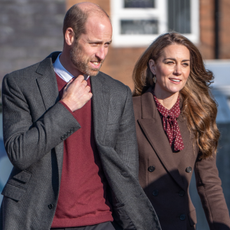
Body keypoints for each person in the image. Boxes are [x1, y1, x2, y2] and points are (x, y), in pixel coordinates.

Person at [0, 2, 161, 230]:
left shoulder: (117, 93)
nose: (101, 54)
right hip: (40, 221)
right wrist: (65, 107)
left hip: (102, 222)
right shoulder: (20, 84)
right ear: (69, 36)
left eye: (107, 44)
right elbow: (19, 153)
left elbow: (126, 172)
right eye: (94, 43)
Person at [132, 32, 230, 230]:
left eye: (185, 64)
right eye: (170, 62)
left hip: (182, 224)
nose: (178, 71)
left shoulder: (198, 115)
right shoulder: (130, 111)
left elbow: (209, 183)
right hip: (142, 224)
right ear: (153, 66)